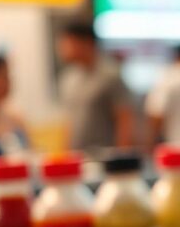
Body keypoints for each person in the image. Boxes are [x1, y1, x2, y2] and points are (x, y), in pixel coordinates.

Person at [56, 21, 136, 151]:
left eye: (67, 43)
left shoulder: (110, 75)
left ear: (86, 42)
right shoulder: (69, 78)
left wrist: (122, 156)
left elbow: (124, 119)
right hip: (77, 155)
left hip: (104, 156)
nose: (62, 49)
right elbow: (69, 121)